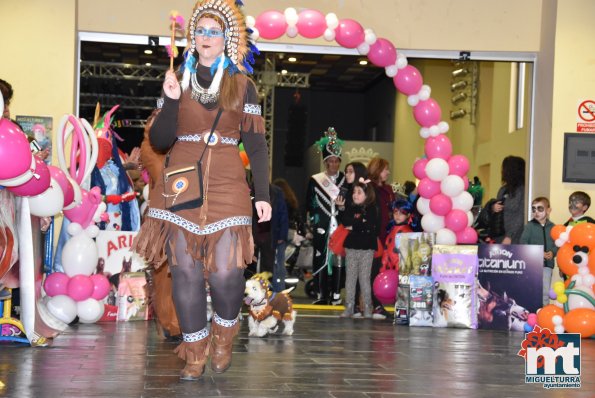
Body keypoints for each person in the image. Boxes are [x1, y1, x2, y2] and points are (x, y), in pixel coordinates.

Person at [133, 0, 271, 381]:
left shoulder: (243, 86)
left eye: (214, 31)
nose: (206, 37)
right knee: (186, 273)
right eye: (201, 30)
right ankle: (194, 351)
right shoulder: (177, 79)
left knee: (227, 273)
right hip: (181, 182)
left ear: (226, 39)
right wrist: (171, 102)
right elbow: (160, 141)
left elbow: (256, 145)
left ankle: (224, 335)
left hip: (228, 180)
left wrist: (263, 195)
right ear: (192, 37)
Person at [305, 127, 346, 305]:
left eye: (337, 161)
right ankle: (322, 295)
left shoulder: (345, 180)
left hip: (340, 225)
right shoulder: (316, 180)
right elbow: (309, 203)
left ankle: (336, 295)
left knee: (338, 258)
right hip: (322, 224)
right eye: (331, 161)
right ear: (325, 162)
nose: (334, 164)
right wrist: (313, 221)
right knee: (320, 257)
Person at [340, 180, 379, 318]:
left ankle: (368, 306)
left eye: (359, 192)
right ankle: (349, 306)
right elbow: (345, 222)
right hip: (351, 246)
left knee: (364, 278)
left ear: (367, 195)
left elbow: (371, 225)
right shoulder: (350, 207)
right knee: (350, 278)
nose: (355, 195)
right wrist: (360, 223)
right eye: (354, 192)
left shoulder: (372, 208)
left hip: (367, 248)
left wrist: (355, 225)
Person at [367, 157, 395, 319]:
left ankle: (377, 304)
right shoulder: (369, 188)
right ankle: (374, 304)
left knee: (379, 270)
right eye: (385, 169)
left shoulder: (388, 190)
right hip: (374, 237)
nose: (388, 172)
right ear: (377, 170)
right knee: (372, 271)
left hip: (387, 237)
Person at [520, 197, 557, 306]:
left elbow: (557, 244)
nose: (536, 212)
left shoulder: (553, 227)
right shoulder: (529, 226)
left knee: (545, 292)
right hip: (532, 265)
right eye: (534, 209)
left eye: (540, 209)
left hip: (547, 265)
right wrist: (538, 254)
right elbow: (523, 243)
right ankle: (532, 314)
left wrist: (553, 252)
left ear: (548, 210)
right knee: (531, 291)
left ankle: (544, 314)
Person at [489, 156, 526, 244]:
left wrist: (510, 236)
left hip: (515, 236)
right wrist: (493, 208)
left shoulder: (522, 190)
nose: (502, 171)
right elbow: (497, 212)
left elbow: (521, 215)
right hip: (500, 235)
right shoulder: (503, 190)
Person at [382, 199, 414, 271]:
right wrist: (383, 269)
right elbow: (386, 251)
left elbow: (405, 258)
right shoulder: (392, 230)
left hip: (401, 271)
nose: (397, 215)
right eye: (395, 212)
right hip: (389, 270)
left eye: (402, 212)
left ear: (408, 215)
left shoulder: (408, 233)